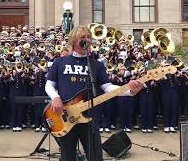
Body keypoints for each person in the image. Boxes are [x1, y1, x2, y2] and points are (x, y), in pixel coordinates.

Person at [45, 26, 144, 161]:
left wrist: (129, 91)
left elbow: (107, 87)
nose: (87, 40)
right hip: (65, 117)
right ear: (74, 41)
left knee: (96, 157)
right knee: (67, 157)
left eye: (88, 37)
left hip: (90, 119)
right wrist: (55, 97)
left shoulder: (96, 65)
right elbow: (49, 85)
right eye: (82, 37)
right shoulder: (60, 62)